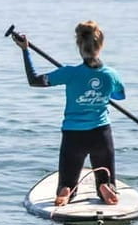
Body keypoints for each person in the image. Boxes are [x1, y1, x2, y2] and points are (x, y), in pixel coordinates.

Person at [14, 21, 125, 206]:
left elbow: (34, 80)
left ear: (79, 46)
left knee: (67, 181)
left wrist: (25, 50)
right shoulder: (111, 74)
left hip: (74, 136)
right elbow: (119, 96)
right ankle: (105, 187)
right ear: (100, 45)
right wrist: (100, 92)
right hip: (101, 134)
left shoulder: (68, 73)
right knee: (106, 177)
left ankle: (66, 191)